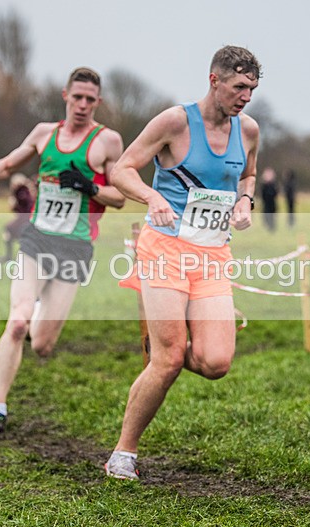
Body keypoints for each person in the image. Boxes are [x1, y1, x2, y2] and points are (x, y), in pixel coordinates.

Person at [104, 45, 261, 480]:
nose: (245, 97)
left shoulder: (248, 130)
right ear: (215, 81)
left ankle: (164, 342)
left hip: (212, 255)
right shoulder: (175, 122)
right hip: (164, 250)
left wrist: (245, 201)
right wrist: (153, 196)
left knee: (216, 364)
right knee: (170, 361)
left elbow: (248, 173)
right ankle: (124, 453)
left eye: (252, 89)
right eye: (239, 87)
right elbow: (122, 170)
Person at [0, 67, 126, 433]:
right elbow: (8, 164)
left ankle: (40, 308)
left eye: (90, 99)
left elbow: (120, 197)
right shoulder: (44, 133)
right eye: (77, 97)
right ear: (65, 96)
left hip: (75, 247)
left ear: (98, 102)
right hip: (37, 239)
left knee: (42, 345)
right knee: (17, 322)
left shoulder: (108, 142)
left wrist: (90, 188)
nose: (83, 105)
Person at [0, 173, 35, 262]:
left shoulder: (22, 191)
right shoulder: (21, 192)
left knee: (10, 230)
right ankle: (10, 256)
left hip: (26, 219)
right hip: (25, 218)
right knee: (10, 234)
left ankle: (11, 256)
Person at [259, 166, 278, 231]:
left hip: (272, 203)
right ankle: (268, 226)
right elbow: (262, 195)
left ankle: (272, 227)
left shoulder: (274, 184)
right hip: (265, 204)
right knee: (266, 216)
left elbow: (275, 194)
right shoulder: (264, 185)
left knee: (272, 216)